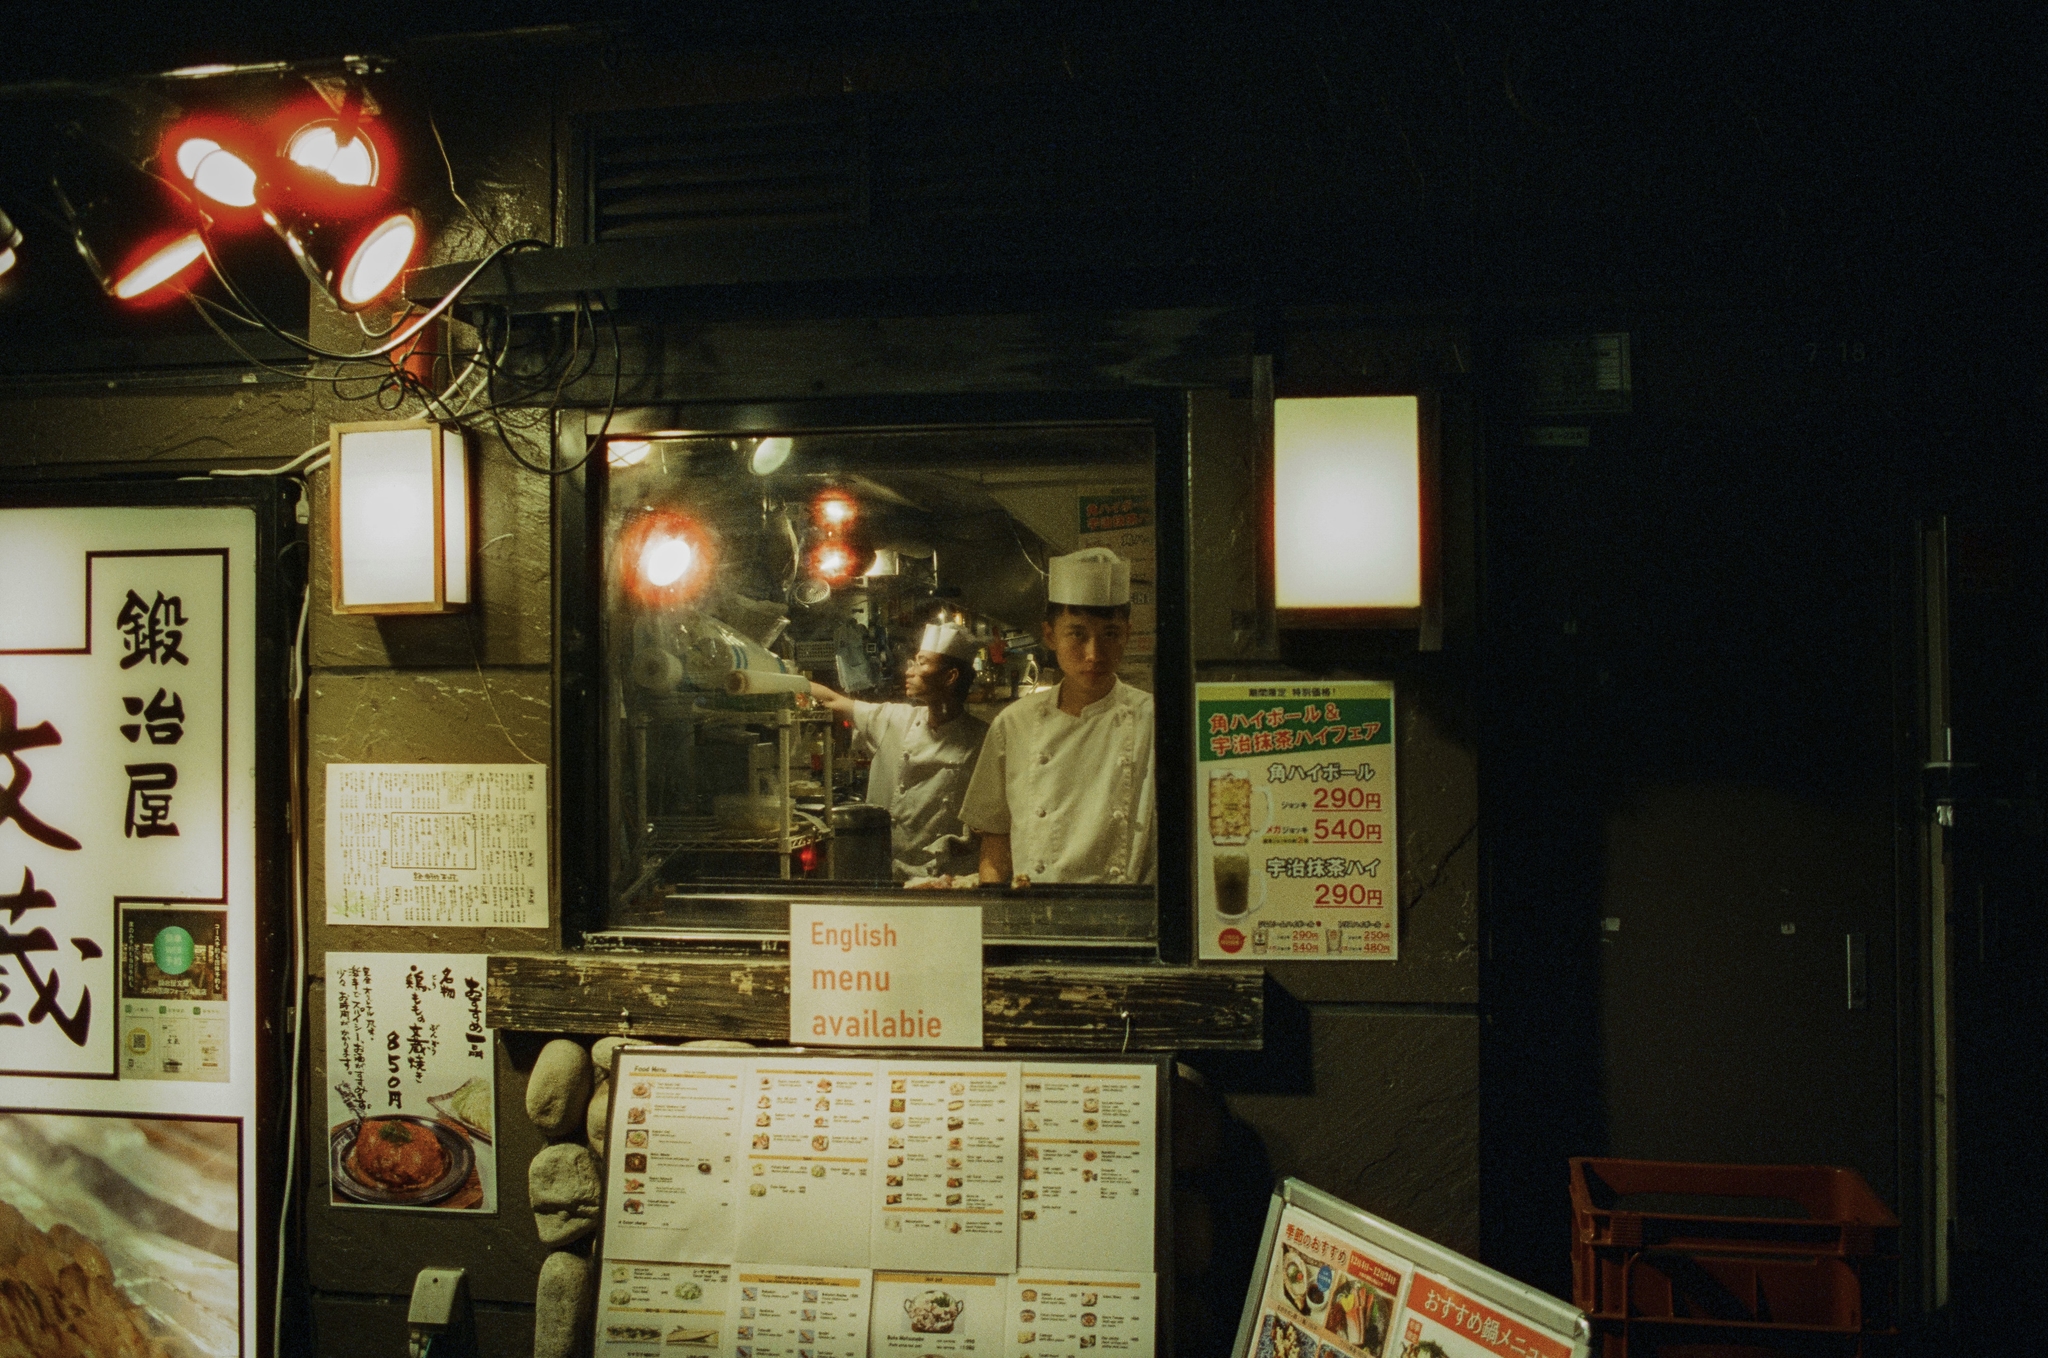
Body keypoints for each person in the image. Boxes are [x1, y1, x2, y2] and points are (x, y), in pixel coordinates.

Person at [960, 547, 1156, 886]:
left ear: (1126, 633)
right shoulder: (1013, 724)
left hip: (1127, 917)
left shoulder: (1154, 719)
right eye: (1077, 634)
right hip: (1037, 915)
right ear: (1050, 635)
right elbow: (995, 840)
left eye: (1109, 633)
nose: (1094, 654)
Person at [810, 623, 987, 883]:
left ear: (950, 677)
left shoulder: (983, 739)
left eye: (921, 663)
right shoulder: (895, 718)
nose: (909, 671)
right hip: (885, 874)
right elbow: (832, 700)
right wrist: (781, 675)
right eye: (912, 662)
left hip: (945, 882)